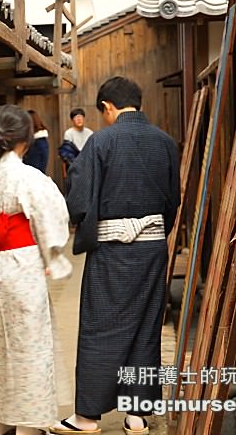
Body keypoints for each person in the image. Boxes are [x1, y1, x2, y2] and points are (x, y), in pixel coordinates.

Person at [51, 77, 180, 435]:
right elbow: (173, 199)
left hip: (112, 250)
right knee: (145, 327)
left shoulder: (102, 140)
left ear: (107, 107)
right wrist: (152, 233)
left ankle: (87, 417)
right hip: (153, 248)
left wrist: (86, 224)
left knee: (101, 327)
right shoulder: (165, 142)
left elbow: (78, 198)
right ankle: (138, 416)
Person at [0, 105, 72, 435]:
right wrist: (52, 258)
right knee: (30, 343)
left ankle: (3, 417)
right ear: (25, 141)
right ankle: (31, 421)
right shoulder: (30, 178)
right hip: (22, 265)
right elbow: (52, 221)